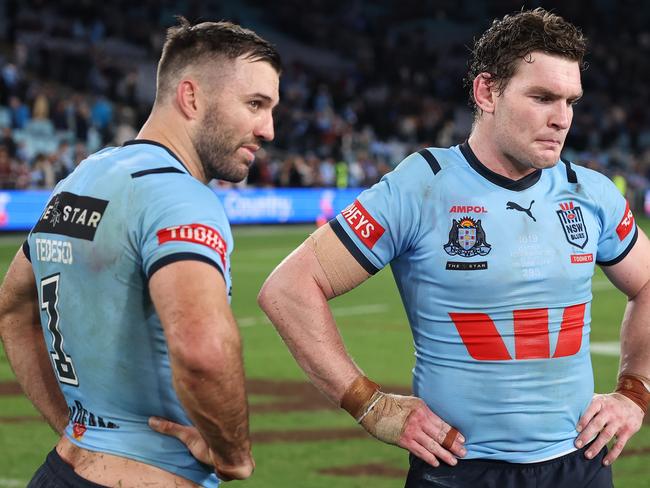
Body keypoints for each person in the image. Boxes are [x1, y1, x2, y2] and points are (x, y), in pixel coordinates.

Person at [258, 8, 650, 488]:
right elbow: (288, 288)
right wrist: (369, 403)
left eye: (571, 100)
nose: (562, 119)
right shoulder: (421, 187)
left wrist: (635, 391)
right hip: (458, 471)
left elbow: (648, 283)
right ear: (487, 91)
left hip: (579, 466)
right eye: (542, 97)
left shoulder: (590, 193)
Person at [0, 18, 280, 487]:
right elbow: (204, 350)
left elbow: (12, 309)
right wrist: (233, 453)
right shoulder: (181, 198)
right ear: (191, 97)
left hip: (60, 471)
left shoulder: (82, 178)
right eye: (255, 104)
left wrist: (75, 429)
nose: (268, 129)